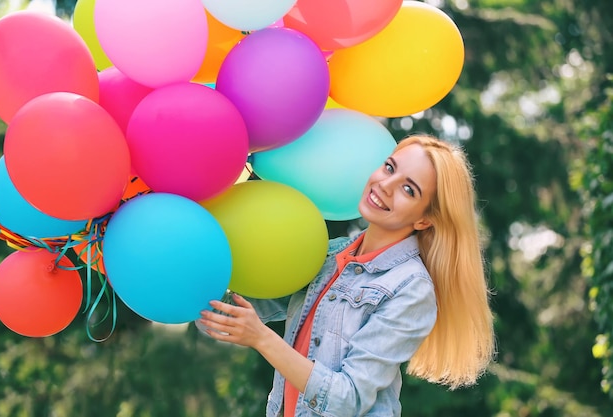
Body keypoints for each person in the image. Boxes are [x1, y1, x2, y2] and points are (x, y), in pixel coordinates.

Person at [197, 134, 496, 416]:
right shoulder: (328, 255)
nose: (385, 185)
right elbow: (229, 312)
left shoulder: (411, 290)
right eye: (389, 167)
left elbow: (347, 399)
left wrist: (261, 338)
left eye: (409, 189)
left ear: (424, 219)